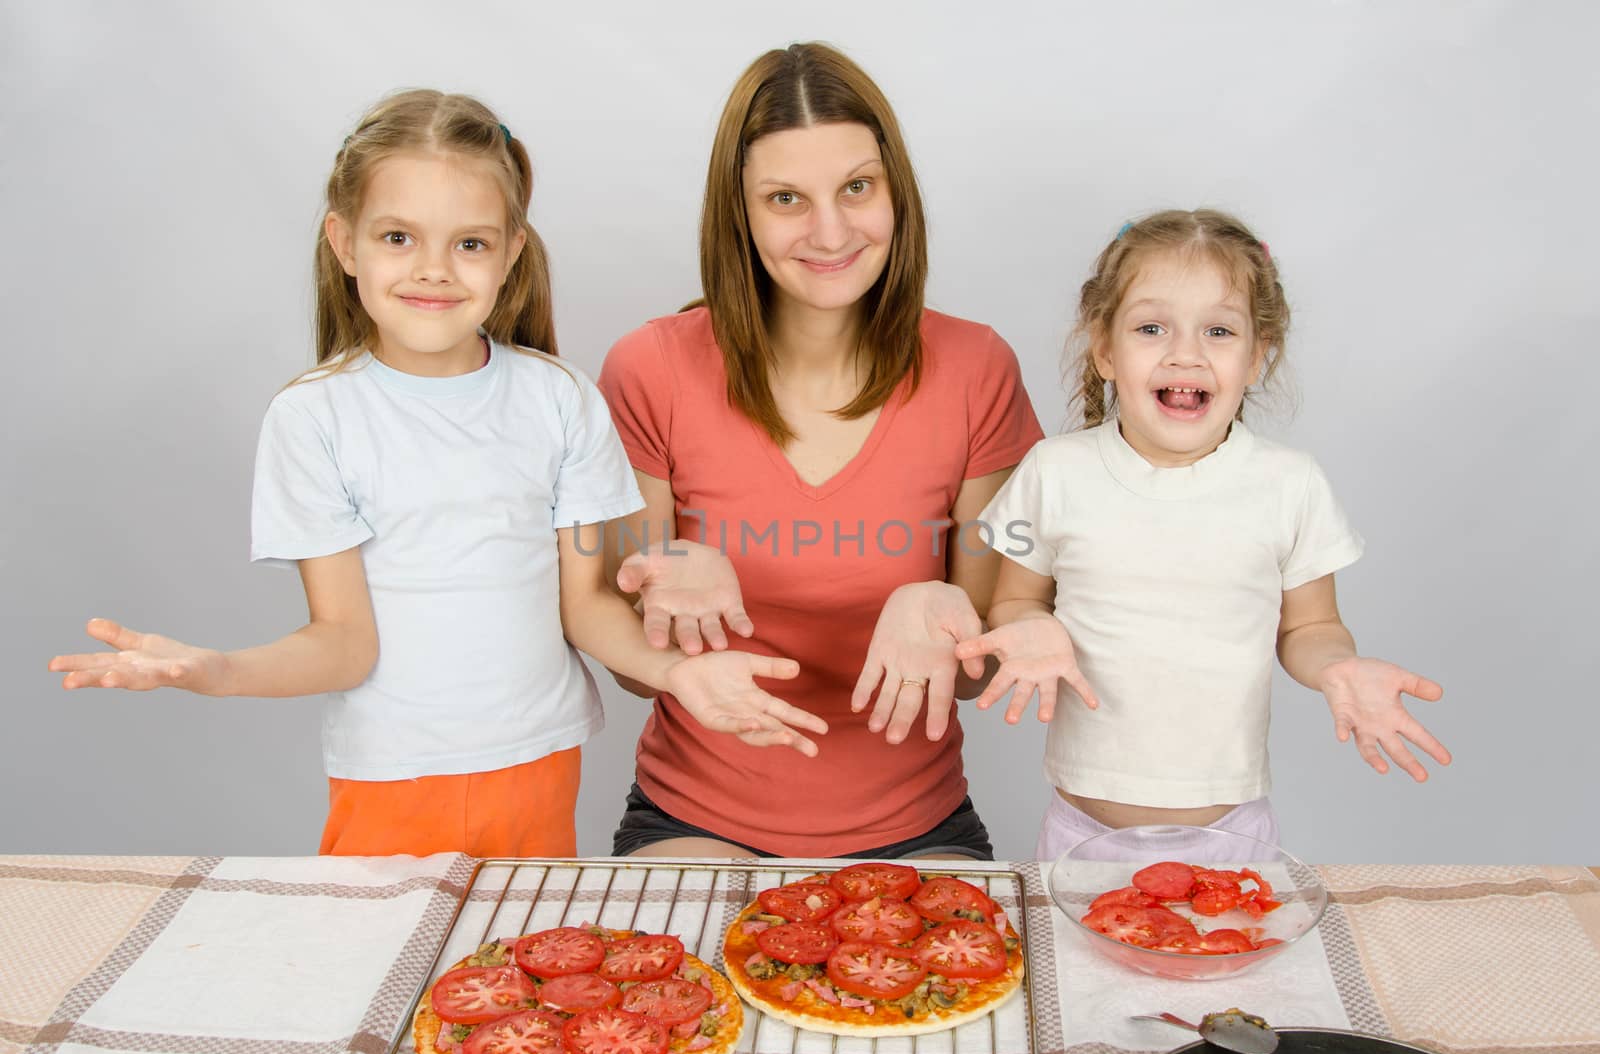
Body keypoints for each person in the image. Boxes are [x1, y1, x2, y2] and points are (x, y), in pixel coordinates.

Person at [47, 89, 819, 858]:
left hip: (538, 765)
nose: (434, 270)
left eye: (470, 244)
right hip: (391, 778)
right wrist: (214, 670)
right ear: (345, 243)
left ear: (513, 249)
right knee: (384, 972)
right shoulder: (314, 418)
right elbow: (344, 642)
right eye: (397, 237)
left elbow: (582, 608)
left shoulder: (559, 399)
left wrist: (677, 674)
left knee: (514, 972)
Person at [597, 44, 1045, 860]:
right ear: (740, 214)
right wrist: (671, 588)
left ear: (894, 192)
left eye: (856, 188)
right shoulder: (649, 369)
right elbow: (631, 661)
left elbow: (984, 661)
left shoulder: (979, 370)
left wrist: (942, 616)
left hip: (919, 828)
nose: (831, 231)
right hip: (693, 818)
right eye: (785, 198)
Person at [957, 209, 1451, 859]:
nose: (1184, 352)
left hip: (1231, 837)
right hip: (1081, 834)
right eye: (1151, 327)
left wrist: (1338, 666)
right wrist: (1029, 623)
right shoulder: (1056, 471)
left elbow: (1309, 627)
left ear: (1256, 357)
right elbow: (1013, 600)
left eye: (1219, 330)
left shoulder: (1289, 484)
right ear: (1105, 349)